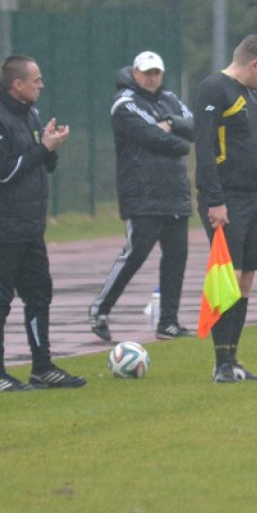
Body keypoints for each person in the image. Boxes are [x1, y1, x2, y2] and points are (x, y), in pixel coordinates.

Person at [0, 54, 86, 392]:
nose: (42, 86)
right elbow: (4, 172)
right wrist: (42, 148)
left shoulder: (30, 113)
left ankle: (42, 368)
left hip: (29, 225)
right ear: (17, 84)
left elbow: (42, 164)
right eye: (37, 80)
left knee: (39, 294)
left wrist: (50, 147)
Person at [194, 35, 257, 384]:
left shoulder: (250, 94)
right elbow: (204, 149)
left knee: (247, 277)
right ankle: (221, 363)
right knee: (229, 277)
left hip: (252, 198)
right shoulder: (214, 89)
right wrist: (215, 200)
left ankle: (234, 360)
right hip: (227, 198)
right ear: (254, 64)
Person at [88, 51, 194, 342]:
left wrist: (170, 123)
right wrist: (179, 141)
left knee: (176, 258)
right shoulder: (125, 104)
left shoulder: (170, 99)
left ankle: (168, 322)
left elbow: (195, 126)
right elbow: (153, 136)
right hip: (142, 195)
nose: (152, 78)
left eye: (156, 72)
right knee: (134, 255)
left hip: (175, 193)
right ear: (134, 73)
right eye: (147, 73)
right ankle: (99, 309)